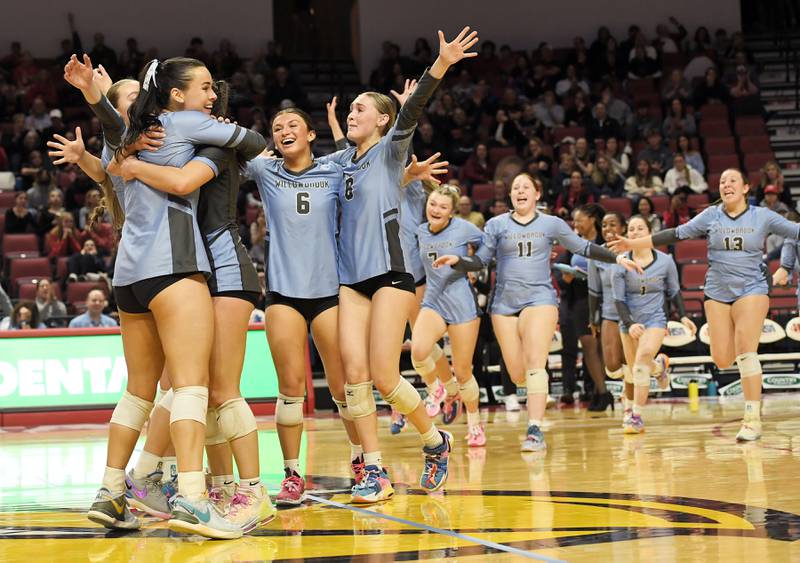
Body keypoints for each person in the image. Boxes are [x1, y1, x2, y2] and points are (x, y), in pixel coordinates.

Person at [66, 54, 265, 539]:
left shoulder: (124, 143)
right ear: (174, 94)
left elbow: (112, 124)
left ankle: (112, 492)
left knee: (139, 391)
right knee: (191, 387)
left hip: (128, 276)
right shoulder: (178, 125)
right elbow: (255, 142)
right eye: (202, 87)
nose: (211, 95)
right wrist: (213, 128)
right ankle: (194, 499)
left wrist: (94, 94)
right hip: (175, 266)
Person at [321, 27, 479, 503]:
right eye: (350, 109)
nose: (352, 112)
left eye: (360, 108)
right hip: (351, 281)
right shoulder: (340, 160)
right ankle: (374, 471)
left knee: (385, 376)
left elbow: (411, 111)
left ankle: (435, 442)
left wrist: (441, 65)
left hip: (391, 276)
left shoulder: (392, 151)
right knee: (354, 378)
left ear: (383, 120)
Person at [436, 173, 641, 451]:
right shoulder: (496, 225)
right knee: (518, 374)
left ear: (536, 194)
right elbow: (482, 260)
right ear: (510, 195)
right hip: (504, 305)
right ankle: (531, 402)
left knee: (535, 363)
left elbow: (583, 247)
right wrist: (459, 261)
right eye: (515, 187)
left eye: (525, 187)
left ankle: (534, 430)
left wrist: (617, 258)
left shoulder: (551, 223)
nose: (520, 190)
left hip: (540, 298)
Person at [610, 169, 800, 441]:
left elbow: (796, 231)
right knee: (722, 359)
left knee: (746, 350)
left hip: (752, 289)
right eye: (722, 181)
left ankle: (752, 419)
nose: (726, 184)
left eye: (732, 180)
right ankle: (740, 350)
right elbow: (675, 234)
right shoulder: (711, 216)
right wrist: (632, 242)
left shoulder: (762, 216)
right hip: (717, 292)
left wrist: (785, 267)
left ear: (745, 188)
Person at [413, 184, 486, 446]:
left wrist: (467, 263)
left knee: (464, 371)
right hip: (433, 299)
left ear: (452, 212)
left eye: (443, 207)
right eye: (433, 204)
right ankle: (438, 388)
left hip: (462, 303)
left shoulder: (464, 229)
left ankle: (475, 424)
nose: (436, 209)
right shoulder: (420, 231)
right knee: (418, 351)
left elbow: (486, 248)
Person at [611, 216, 696, 433]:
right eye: (631, 229)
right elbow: (618, 300)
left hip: (655, 320)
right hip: (629, 322)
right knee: (634, 372)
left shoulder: (666, 261)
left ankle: (636, 416)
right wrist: (629, 324)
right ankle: (659, 368)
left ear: (650, 233)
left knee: (640, 363)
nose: (635, 232)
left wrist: (684, 316)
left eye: (640, 228)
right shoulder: (620, 263)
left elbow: (674, 290)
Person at [588, 212, 629, 410]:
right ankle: (629, 384)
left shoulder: (632, 250)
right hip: (609, 314)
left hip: (633, 315)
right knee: (612, 365)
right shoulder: (596, 253)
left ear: (623, 228)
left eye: (613, 224)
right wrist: (592, 318)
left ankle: (630, 405)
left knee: (630, 362)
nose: (608, 229)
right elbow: (593, 290)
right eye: (604, 225)